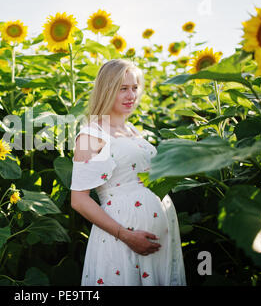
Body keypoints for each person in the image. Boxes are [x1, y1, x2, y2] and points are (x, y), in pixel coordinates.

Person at [70, 59, 186, 286]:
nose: (131, 95)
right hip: (122, 239)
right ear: (107, 90)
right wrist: (126, 235)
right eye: (123, 89)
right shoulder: (92, 134)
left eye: (134, 88)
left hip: (159, 237)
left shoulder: (131, 129)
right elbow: (79, 200)